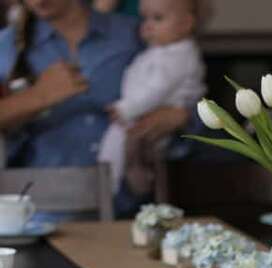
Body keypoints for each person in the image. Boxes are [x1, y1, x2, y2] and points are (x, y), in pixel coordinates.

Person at [0, 0, 191, 214]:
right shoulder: (7, 46)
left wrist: (181, 116)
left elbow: (188, 82)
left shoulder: (133, 33)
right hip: (37, 209)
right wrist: (38, 96)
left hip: (131, 205)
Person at [99, 0, 204, 196]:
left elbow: (158, 88)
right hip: (143, 114)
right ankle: (115, 182)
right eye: (144, 18)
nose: (147, 25)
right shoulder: (161, 51)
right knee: (119, 144)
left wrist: (126, 108)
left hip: (153, 115)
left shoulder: (178, 55)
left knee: (124, 145)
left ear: (185, 24)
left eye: (157, 18)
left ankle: (116, 184)